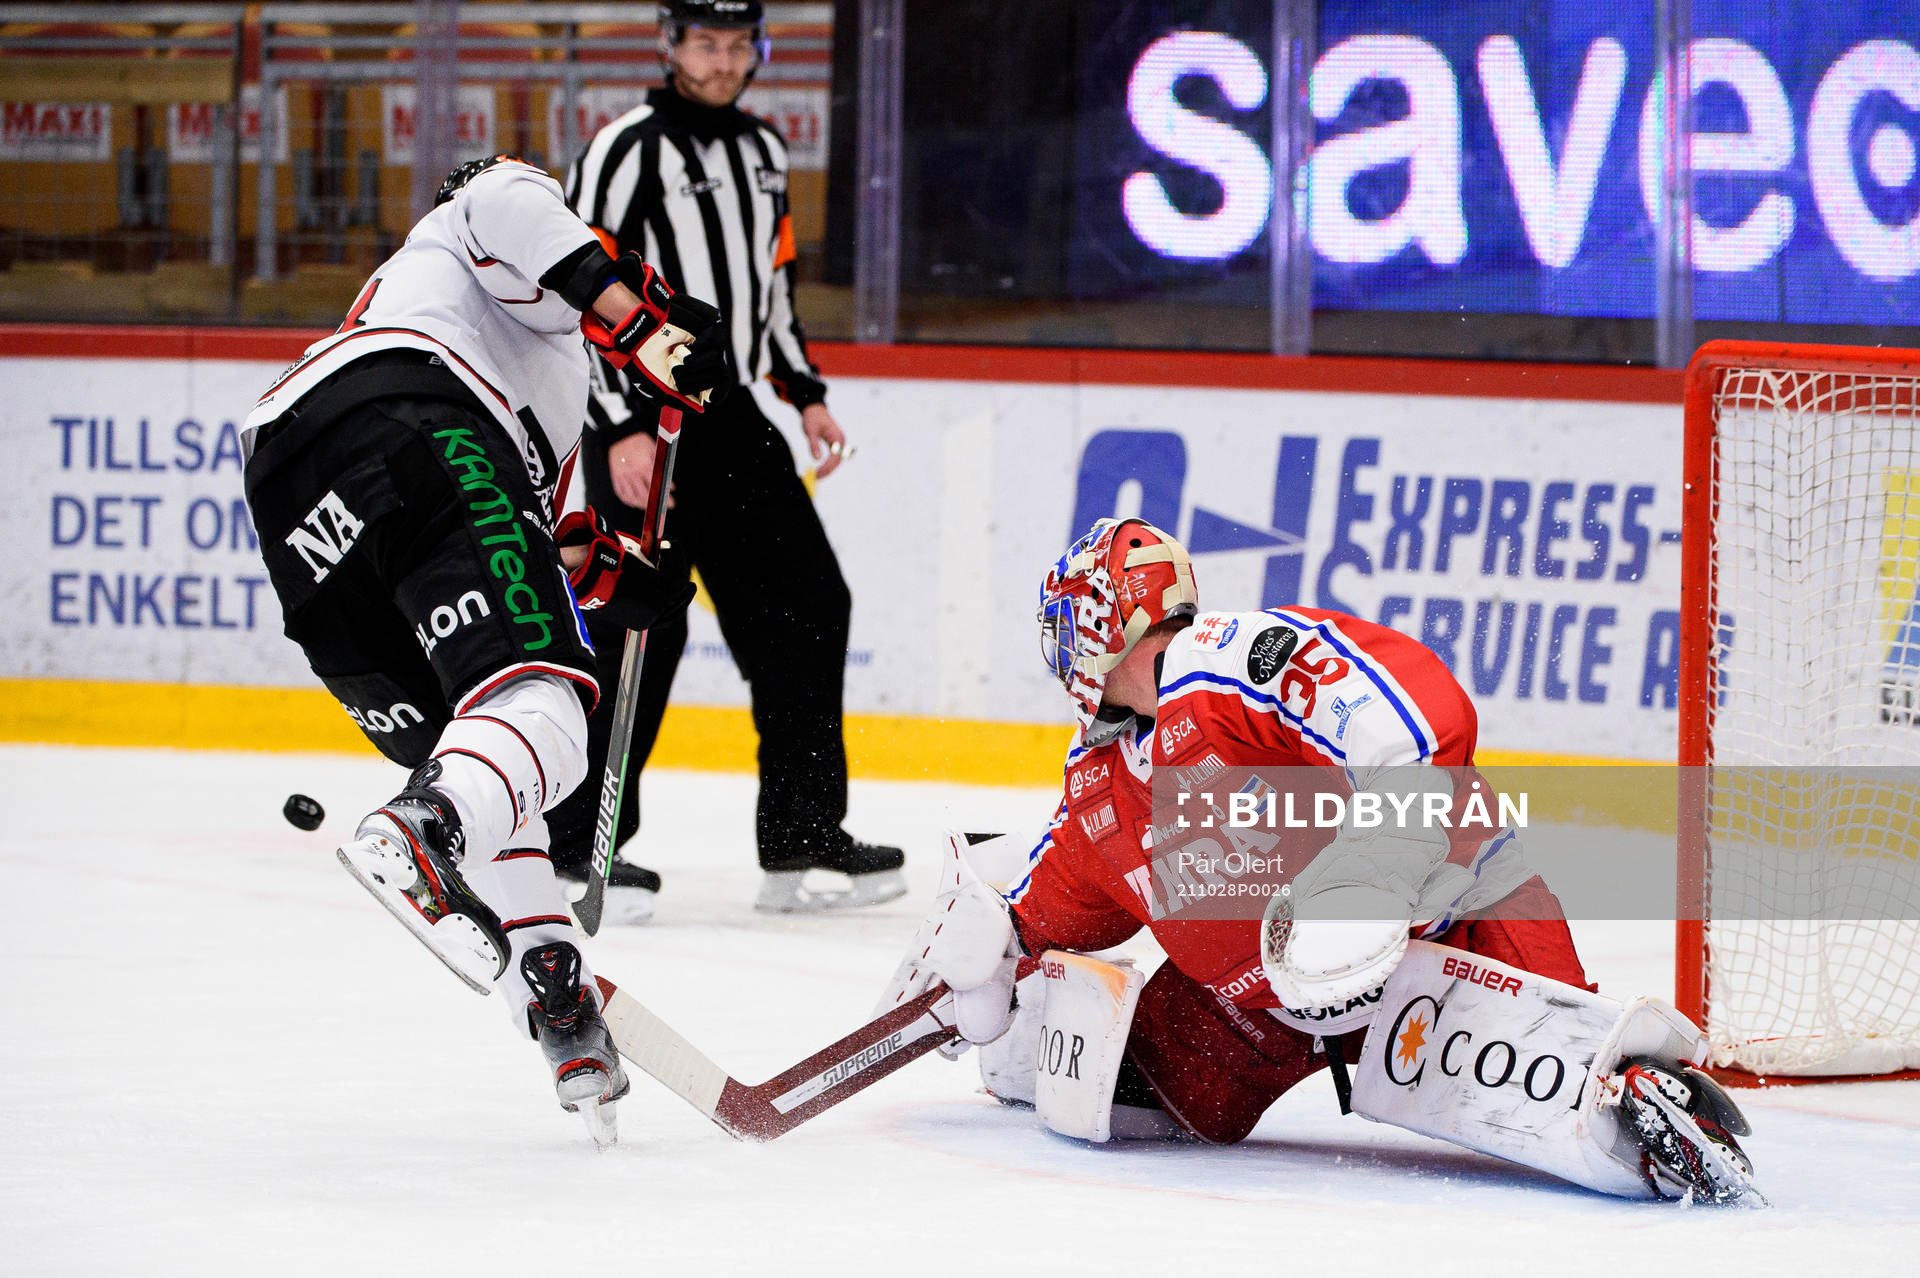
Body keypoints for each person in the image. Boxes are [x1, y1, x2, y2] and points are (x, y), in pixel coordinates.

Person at [877, 517, 1758, 1202]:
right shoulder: (1100, 781)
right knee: (1114, 1100)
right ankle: (1030, 1049)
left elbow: (1421, 715)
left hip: (1447, 934)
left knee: (1601, 1105)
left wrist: (1376, 867)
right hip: (1257, 1011)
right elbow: (1056, 902)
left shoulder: (1231, 662)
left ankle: (1646, 1094)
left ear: (1102, 621)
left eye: (1069, 627)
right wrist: (994, 947)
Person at [242, 154, 729, 1143]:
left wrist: (605, 577)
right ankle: (422, 832)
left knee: (490, 746)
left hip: (304, 497)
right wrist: (647, 326)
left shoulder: (501, 338)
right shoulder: (488, 216)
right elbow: (509, 201)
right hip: (406, 418)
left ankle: (551, 986)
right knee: (545, 715)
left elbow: (495, 543)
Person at [549, 0, 902, 918]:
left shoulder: (764, 151)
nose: (724, 60)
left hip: (735, 416)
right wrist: (618, 421)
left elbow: (771, 288)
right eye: (707, 43)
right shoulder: (625, 149)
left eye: (739, 44)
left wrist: (806, 389)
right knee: (639, 631)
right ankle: (578, 848)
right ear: (671, 48)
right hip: (648, 424)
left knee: (810, 603)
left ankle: (802, 836)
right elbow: (578, 290)